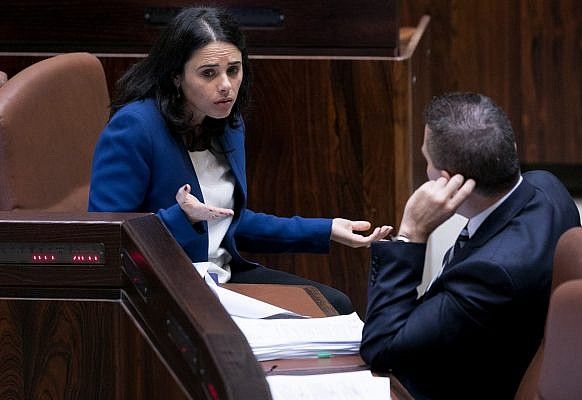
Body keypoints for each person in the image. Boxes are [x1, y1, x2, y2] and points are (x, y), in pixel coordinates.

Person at [88, 7, 392, 315]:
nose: (226, 85)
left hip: (223, 277)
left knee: (334, 306)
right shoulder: (135, 128)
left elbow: (230, 219)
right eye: (209, 73)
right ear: (176, 77)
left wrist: (325, 229)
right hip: (166, 287)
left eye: (233, 70)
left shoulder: (228, 125)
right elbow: (109, 238)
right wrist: (183, 219)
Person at [360, 92, 580, 399]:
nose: (425, 167)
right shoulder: (546, 185)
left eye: (426, 159)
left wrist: (411, 234)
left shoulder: (491, 273)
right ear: (509, 150)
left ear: (447, 179)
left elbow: (382, 347)